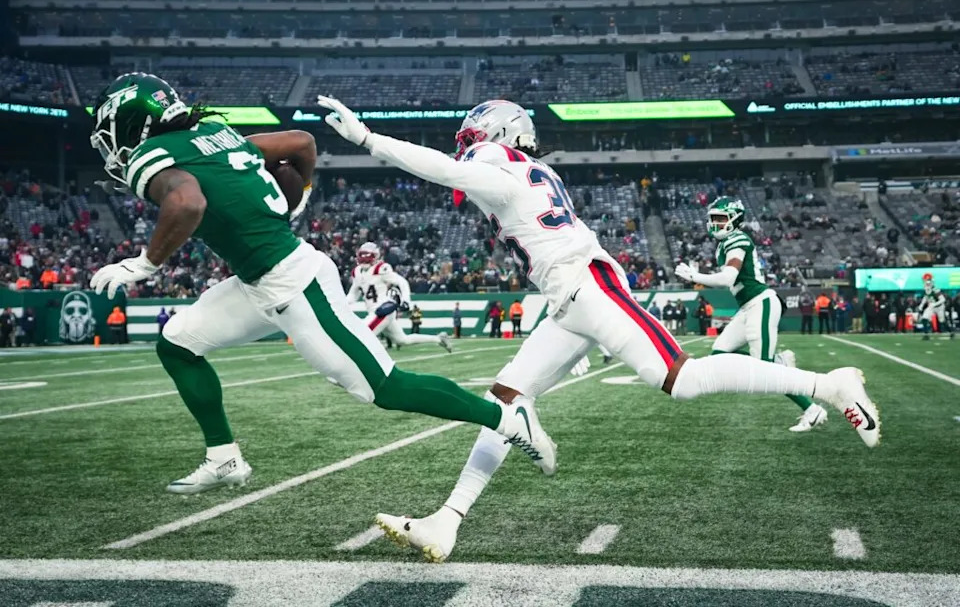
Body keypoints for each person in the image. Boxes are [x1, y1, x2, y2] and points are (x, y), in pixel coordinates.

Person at [318, 96, 880, 562]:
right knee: (506, 400)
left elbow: (447, 170)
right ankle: (448, 519)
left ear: (497, 134)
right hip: (567, 298)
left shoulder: (502, 168)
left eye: (475, 136)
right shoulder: (523, 168)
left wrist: (370, 139)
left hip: (588, 286)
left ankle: (828, 385)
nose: (467, 144)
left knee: (679, 379)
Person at [89, 73, 554, 496]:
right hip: (258, 282)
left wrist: (145, 264)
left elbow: (186, 204)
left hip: (293, 282)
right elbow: (302, 142)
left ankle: (506, 417)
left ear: (132, 125)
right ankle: (223, 457)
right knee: (177, 344)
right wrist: (302, 195)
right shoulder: (213, 135)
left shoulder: (152, 154)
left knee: (384, 388)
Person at [676, 197, 827, 433]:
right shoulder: (725, 243)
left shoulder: (737, 239)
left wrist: (694, 276)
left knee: (765, 372)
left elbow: (727, 278)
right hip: (748, 307)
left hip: (761, 303)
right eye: (713, 218)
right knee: (720, 352)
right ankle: (779, 362)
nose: (715, 223)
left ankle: (812, 409)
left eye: (721, 218)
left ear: (734, 220)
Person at [349, 242, 451, 352]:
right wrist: (343, 305)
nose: (364, 260)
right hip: (374, 312)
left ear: (375, 256)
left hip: (383, 310)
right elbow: (353, 293)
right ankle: (438, 339)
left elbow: (402, 282)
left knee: (362, 334)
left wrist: (406, 300)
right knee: (402, 340)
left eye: (367, 257)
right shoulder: (357, 272)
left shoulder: (381, 269)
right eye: (362, 256)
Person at [918, 274, 953, 340]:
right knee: (924, 318)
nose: (925, 282)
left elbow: (943, 299)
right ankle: (926, 334)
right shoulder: (926, 287)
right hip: (932, 306)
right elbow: (926, 297)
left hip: (939, 307)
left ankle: (951, 332)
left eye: (926, 280)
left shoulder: (935, 289)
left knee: (942, 321)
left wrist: (935, 304)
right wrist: (921, 305)